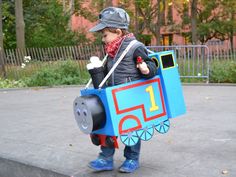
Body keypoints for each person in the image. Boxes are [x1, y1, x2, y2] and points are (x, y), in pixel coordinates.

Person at [88, 6, 157, 173]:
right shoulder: (111, 51)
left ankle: (132, 158)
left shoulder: (135, 46)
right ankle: (105, 158)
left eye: (105, 35)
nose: (103, 39)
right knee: (106, 126)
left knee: (130, 129)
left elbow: (151, 63)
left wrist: (146, 69)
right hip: (112, 95)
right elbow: (109, 72)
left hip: (129, 97)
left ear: (118, 32)